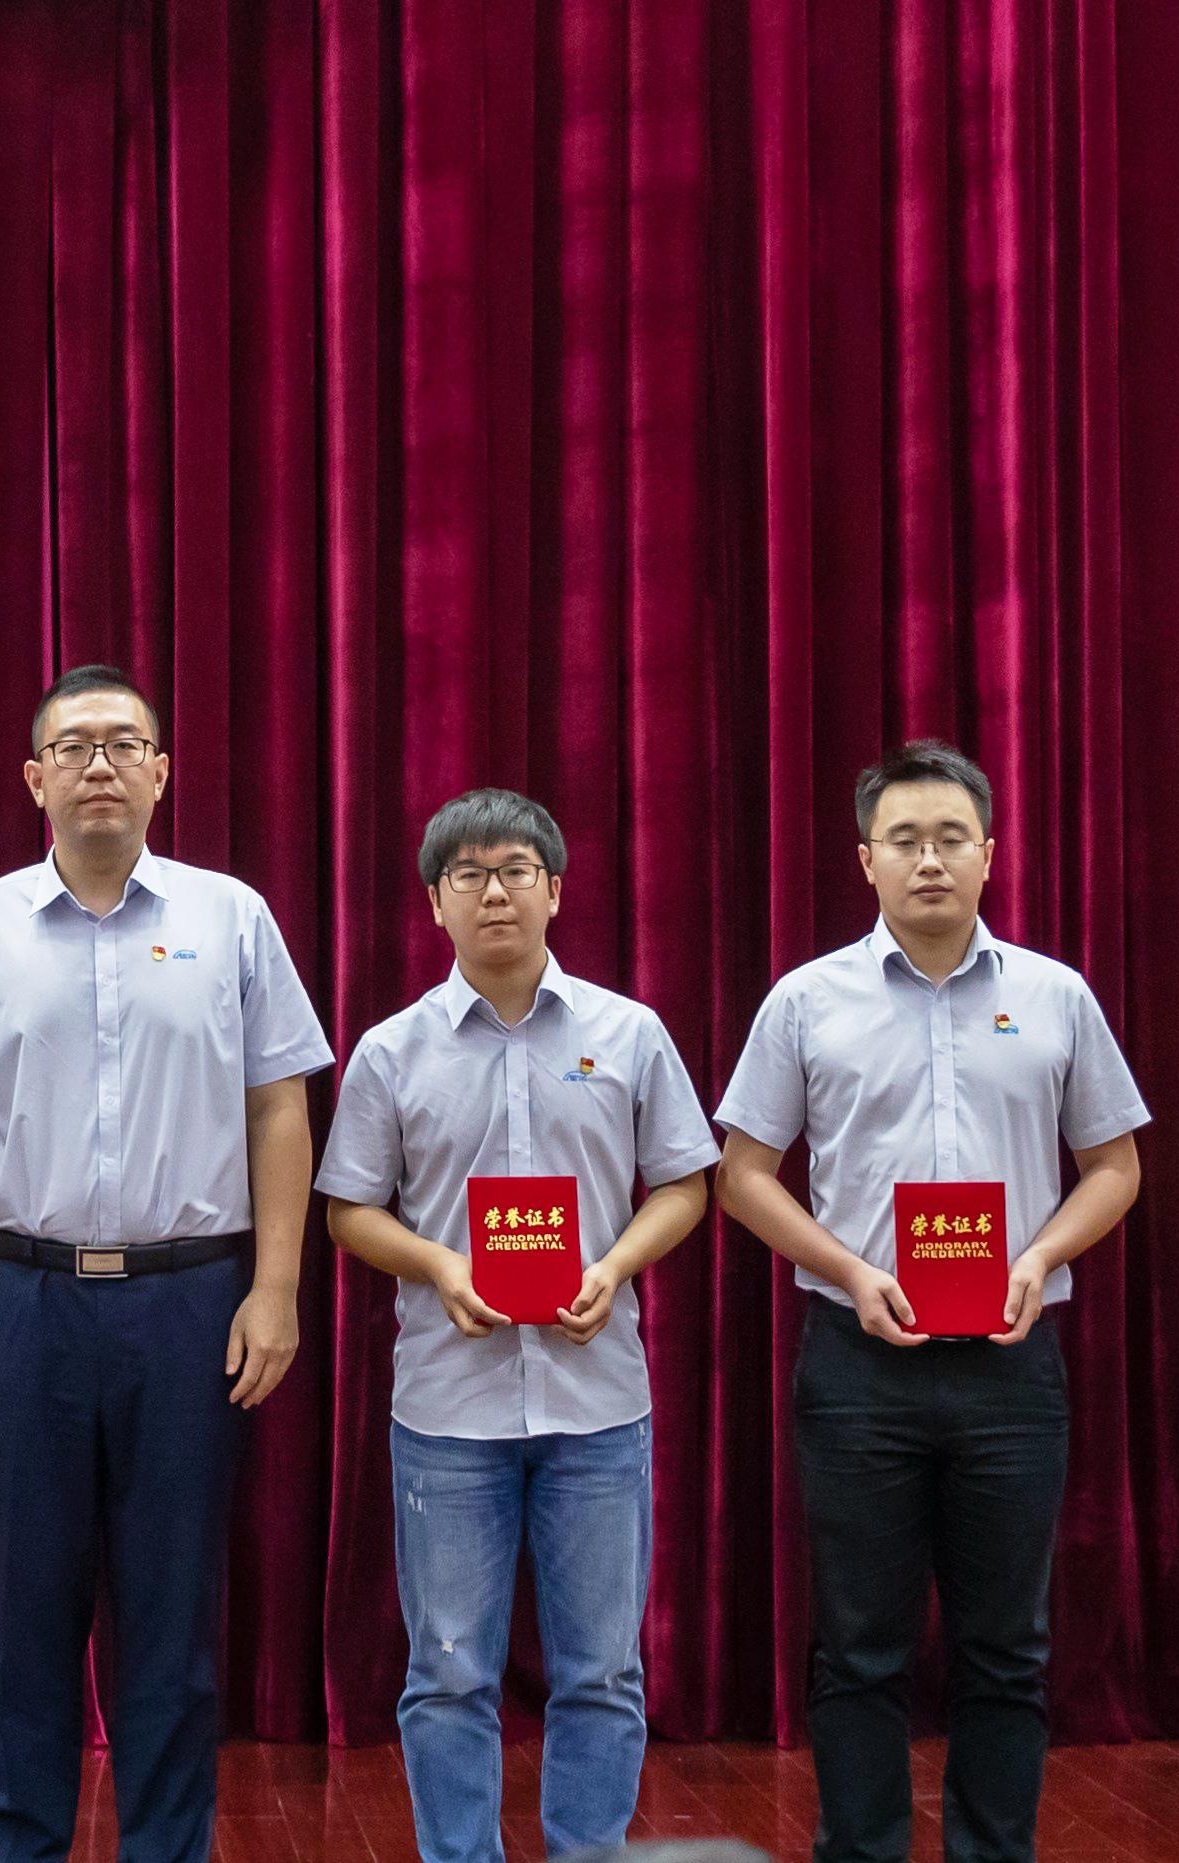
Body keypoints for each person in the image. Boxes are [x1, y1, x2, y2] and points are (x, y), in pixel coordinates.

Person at [0, 664, 333, 1863]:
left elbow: (279, 1105)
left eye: (123, 743)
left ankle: (167, 1847)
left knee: (172, 1616)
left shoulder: (230, 917)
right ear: (33, 777)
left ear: (160, 771)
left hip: (189, 1300)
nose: (99, 763)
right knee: (23, 1613)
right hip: (21, 1299)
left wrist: (275, 1287)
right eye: (73, 745)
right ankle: (13, 1845)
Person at [712, 743, 1147, 1863]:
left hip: (1010, 1362)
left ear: (989, 853)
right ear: (865, 859)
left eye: (951, 838)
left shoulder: (1054, 995)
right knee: (859, 1645)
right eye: (902, 839)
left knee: (1007, 1646)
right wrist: (851, 1269)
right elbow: (743, 1174)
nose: (929, 859)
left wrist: (1038, 1253)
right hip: (857, 1363)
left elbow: (1113, 1166)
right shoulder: (806, 999)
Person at [319, 785, 719, 1863]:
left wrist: (613, 1265)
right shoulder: (391, 1050)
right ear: (434, 902)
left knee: (602, 1671)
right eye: (468, 874)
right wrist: (439, 1262)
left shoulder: (628, 1032)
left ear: (555, 889)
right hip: (448, 1409)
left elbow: (685, 1182)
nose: (493, 892)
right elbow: (348, 1208)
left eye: (514, 871)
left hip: (598, 1404)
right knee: (448, 1671)